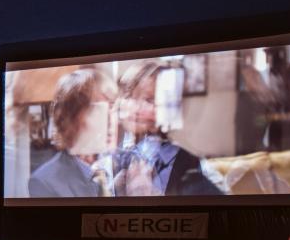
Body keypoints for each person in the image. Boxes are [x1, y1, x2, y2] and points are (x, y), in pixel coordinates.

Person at [113, 61, 223, 196]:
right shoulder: (114, 155)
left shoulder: (190, 166)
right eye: (129, 96)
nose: (134, 108)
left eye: (149, 100)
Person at [29, 68, 118, 197]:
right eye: (97, 110)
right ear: (70, 119)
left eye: (112, 108)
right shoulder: (45, 182)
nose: (110, 121)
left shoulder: (123, 166)